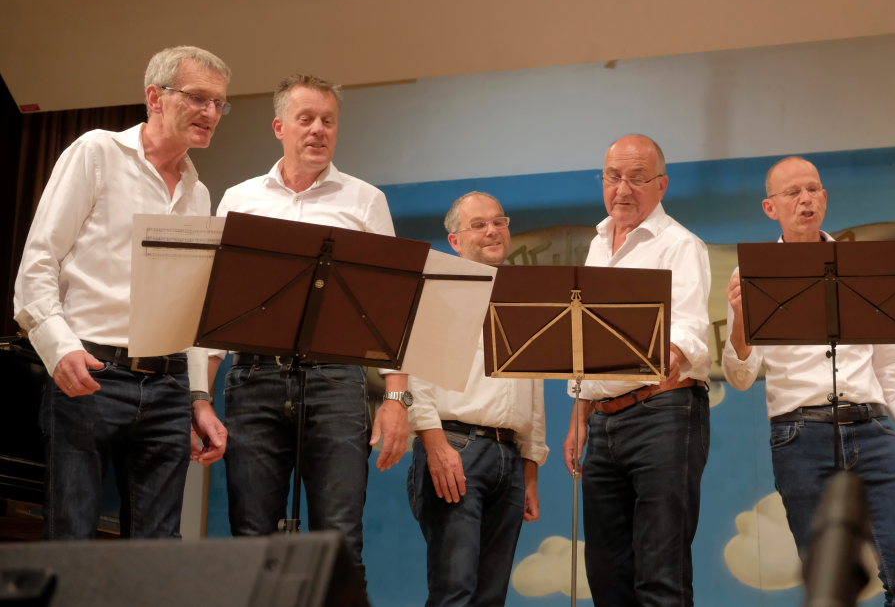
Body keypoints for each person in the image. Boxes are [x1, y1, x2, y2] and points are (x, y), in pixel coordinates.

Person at [13, 45, 231, 539]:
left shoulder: (198, 193)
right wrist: (59, 349)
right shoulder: (97, 153)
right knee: (71, 543)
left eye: (219, 103)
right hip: (90, 371)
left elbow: (190, 307)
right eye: (199, 98)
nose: (211, 112)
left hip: (168, 385)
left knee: (154, 556)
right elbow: (38, 262)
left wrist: (199, 397)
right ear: (155, 97)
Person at [209, 74, 410, 572]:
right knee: (251, 542)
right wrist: (199, 397)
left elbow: (391, 308)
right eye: (306, 119)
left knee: (340, 543)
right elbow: (210, 309)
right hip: (253, 379)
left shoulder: (365, 200)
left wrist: (397, 399)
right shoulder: (239, 198)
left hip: (337, 381)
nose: (319, 129)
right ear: (280, 126)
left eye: (328, 121)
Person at [722, 155, 895, 606]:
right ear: (770, 207)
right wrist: (740, 319)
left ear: (825, 197)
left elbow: (891, 363)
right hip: (800, 437)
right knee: (828, 587)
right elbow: (740, 376)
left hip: (873, 429)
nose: (806, 199)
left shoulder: (864, 266)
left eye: (813, 189)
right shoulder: (751, 273)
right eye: (793, 192)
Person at [563, 134, 712, 606]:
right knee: (606, 575)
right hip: (603, 420)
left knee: (660, 574)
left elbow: (687, 333)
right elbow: (584, 342)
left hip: (663, 412)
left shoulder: (680, 245)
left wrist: (651, 357)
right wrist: (580, 415)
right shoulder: (597, 244)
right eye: (613, 177)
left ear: (661, 185)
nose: (622, 188)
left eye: (637, 178)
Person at [406, 191, 548, 607]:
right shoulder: (437, 288)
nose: (492, 231)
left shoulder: (525, 296)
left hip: (510, 458)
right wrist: (437, 446)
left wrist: (530, 469)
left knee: (490, 598)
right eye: (479, 224)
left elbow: (533, 385)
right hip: (456, 449)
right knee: (455, 593)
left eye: (499, 221)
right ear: (454, 240)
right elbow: (414, 375)